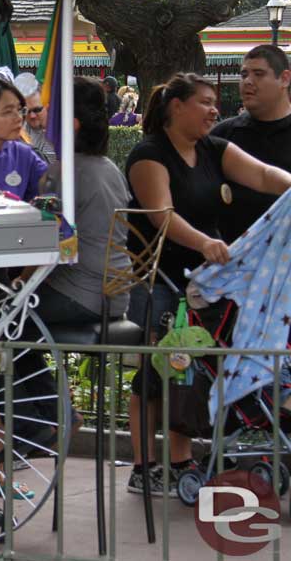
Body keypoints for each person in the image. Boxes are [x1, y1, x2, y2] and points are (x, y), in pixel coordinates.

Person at [123, 72, 291, 495]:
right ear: (175, 107)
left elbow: (268, 176)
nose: (215, 110)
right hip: (160, 279)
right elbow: (162, 215)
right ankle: (144, 468)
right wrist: (205, 242)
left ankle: (181, 461)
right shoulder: (148, 155)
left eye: (216, 102)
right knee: (154, 375)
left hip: (208, 285)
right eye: (205, 101)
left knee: (190, 373)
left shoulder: (214, 148)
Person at [212, 44, 291, 243]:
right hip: (229, 260)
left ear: (284, 79)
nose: (248, 81)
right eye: (244, 74)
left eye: (258, 74)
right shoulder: (222, 135)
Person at [22, 86, 56, 163]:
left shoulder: (63, 129)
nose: (32, 116)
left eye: (37, 110)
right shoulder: (19, 132)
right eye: (27, 111)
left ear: (48, 106)